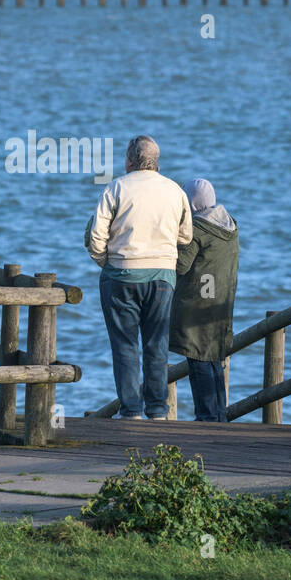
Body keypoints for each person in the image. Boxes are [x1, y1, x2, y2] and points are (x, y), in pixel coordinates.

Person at [85, 136, 192, 420]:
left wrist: (106, 263)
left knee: (125, 346)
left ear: (129, 160)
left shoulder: (116, 187)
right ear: (157, 161)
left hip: (121, 275)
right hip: (162, 276)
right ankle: (157, 410)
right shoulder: (175, 190)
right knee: (157, 346)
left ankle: (131, 410)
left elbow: (96, 238)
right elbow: (186, 236)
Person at [170, 178, 239, 422]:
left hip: (197, 304)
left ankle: (207, 419)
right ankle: (218, 416)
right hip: (219, 301)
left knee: (198, 358)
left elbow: (180, 265)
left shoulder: (198, 229)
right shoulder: (229, 226)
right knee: (213, 360)